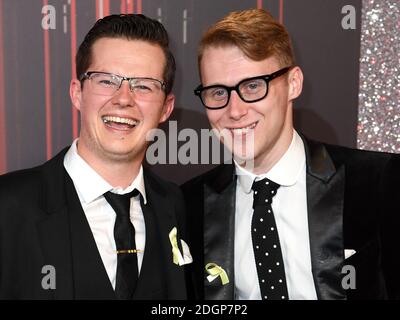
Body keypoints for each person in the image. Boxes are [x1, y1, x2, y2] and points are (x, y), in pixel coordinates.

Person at [182, 8, 400, 300]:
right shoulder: (189, 205)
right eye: (218, 92)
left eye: (253, 86)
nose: (235, 111)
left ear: (293, 83)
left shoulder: (376, 180)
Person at [0, 14, 192, 299]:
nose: (123, 98)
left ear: (166, 108)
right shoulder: (7, 206)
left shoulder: (178, 206)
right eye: (106, 81)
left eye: (143, 85)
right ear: (77, 93)